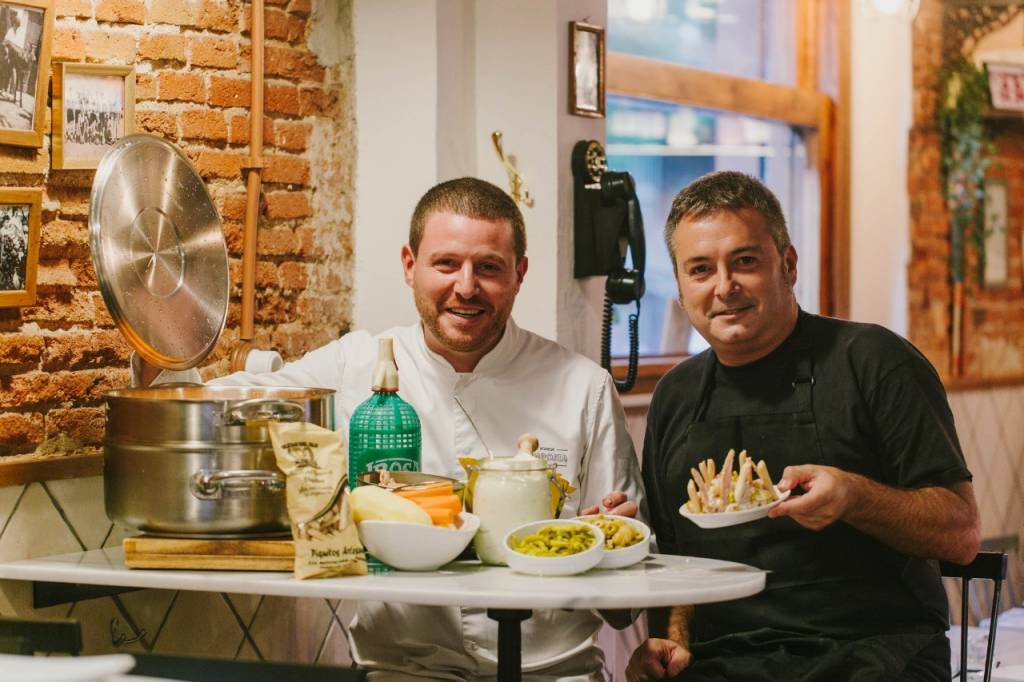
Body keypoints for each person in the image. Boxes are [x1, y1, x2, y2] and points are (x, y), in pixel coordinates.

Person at [139, 177, 645, 680]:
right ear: (410, 266)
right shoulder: (354, 365)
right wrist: (161, 353)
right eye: (446, 263)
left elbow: (628, 603)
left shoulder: (585, 388)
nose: (466, 287)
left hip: (554, 674)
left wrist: (617, 542)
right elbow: (236, 401)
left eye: (488, 268)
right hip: (399, 671)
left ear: (519, 274)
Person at [626, 171, 980, 681]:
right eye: (700, 269)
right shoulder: (676, 394)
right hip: (726, 659)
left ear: (788, 265)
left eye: (745, 261)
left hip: (874, 651)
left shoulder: (874, 361)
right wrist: (670, 642)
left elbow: (961, 533)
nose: (724, 287)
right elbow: (675, 556)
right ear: (680, 288)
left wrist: (855, 496)